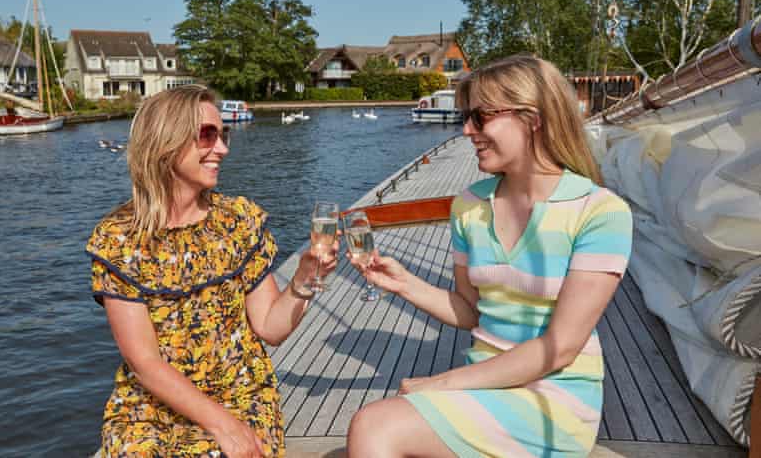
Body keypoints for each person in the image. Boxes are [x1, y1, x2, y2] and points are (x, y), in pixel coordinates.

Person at [346, 55, 633, 458]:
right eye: (467, 117)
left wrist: (444, 383)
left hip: (555, 398)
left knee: (374, 425)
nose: (467, 130)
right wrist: (404, 284)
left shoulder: (599, 211)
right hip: (483, 388)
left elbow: (561, 346)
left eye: (480, 117)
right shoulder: (470, 206)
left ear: (532, 118)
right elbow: (472, 311)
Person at [86, 84, 338, 457]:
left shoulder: (237, 220)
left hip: (240, 395)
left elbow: (270, 328)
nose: (222, 148)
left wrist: (302, 283)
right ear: (166, 142)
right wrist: (220, 424)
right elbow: (145, 363)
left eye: (223, 135)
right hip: (151, 406)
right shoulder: (120, 240)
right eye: (208, 135)